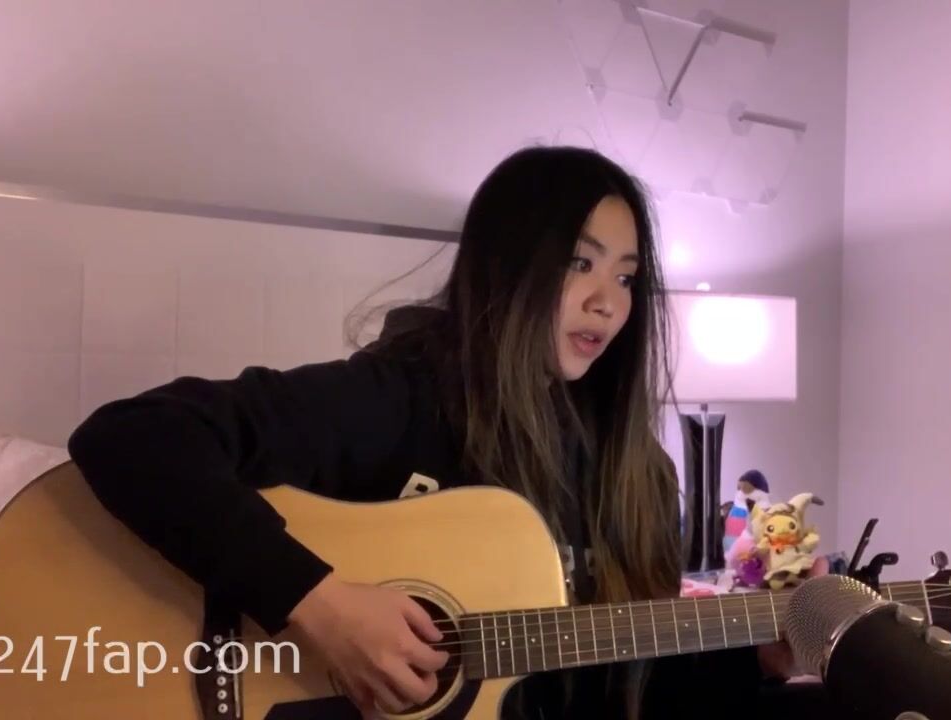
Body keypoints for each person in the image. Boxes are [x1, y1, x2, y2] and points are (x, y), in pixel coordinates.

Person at [67, 145, 799, 719]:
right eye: (580, 263)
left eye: (628, 277)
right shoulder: (401, 398)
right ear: (509, 268)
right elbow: (134, 437)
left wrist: (751, 659)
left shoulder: (637, 475)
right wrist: (319, 606)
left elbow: (616, 692)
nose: (607, 302)